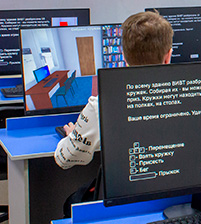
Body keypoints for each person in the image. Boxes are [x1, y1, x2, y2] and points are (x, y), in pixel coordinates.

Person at [54, 11, 174, 169]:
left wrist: (72, 137)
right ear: (168, 56)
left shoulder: (100, 107)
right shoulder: (194, 95)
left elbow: (64, 159)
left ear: (123, 56)